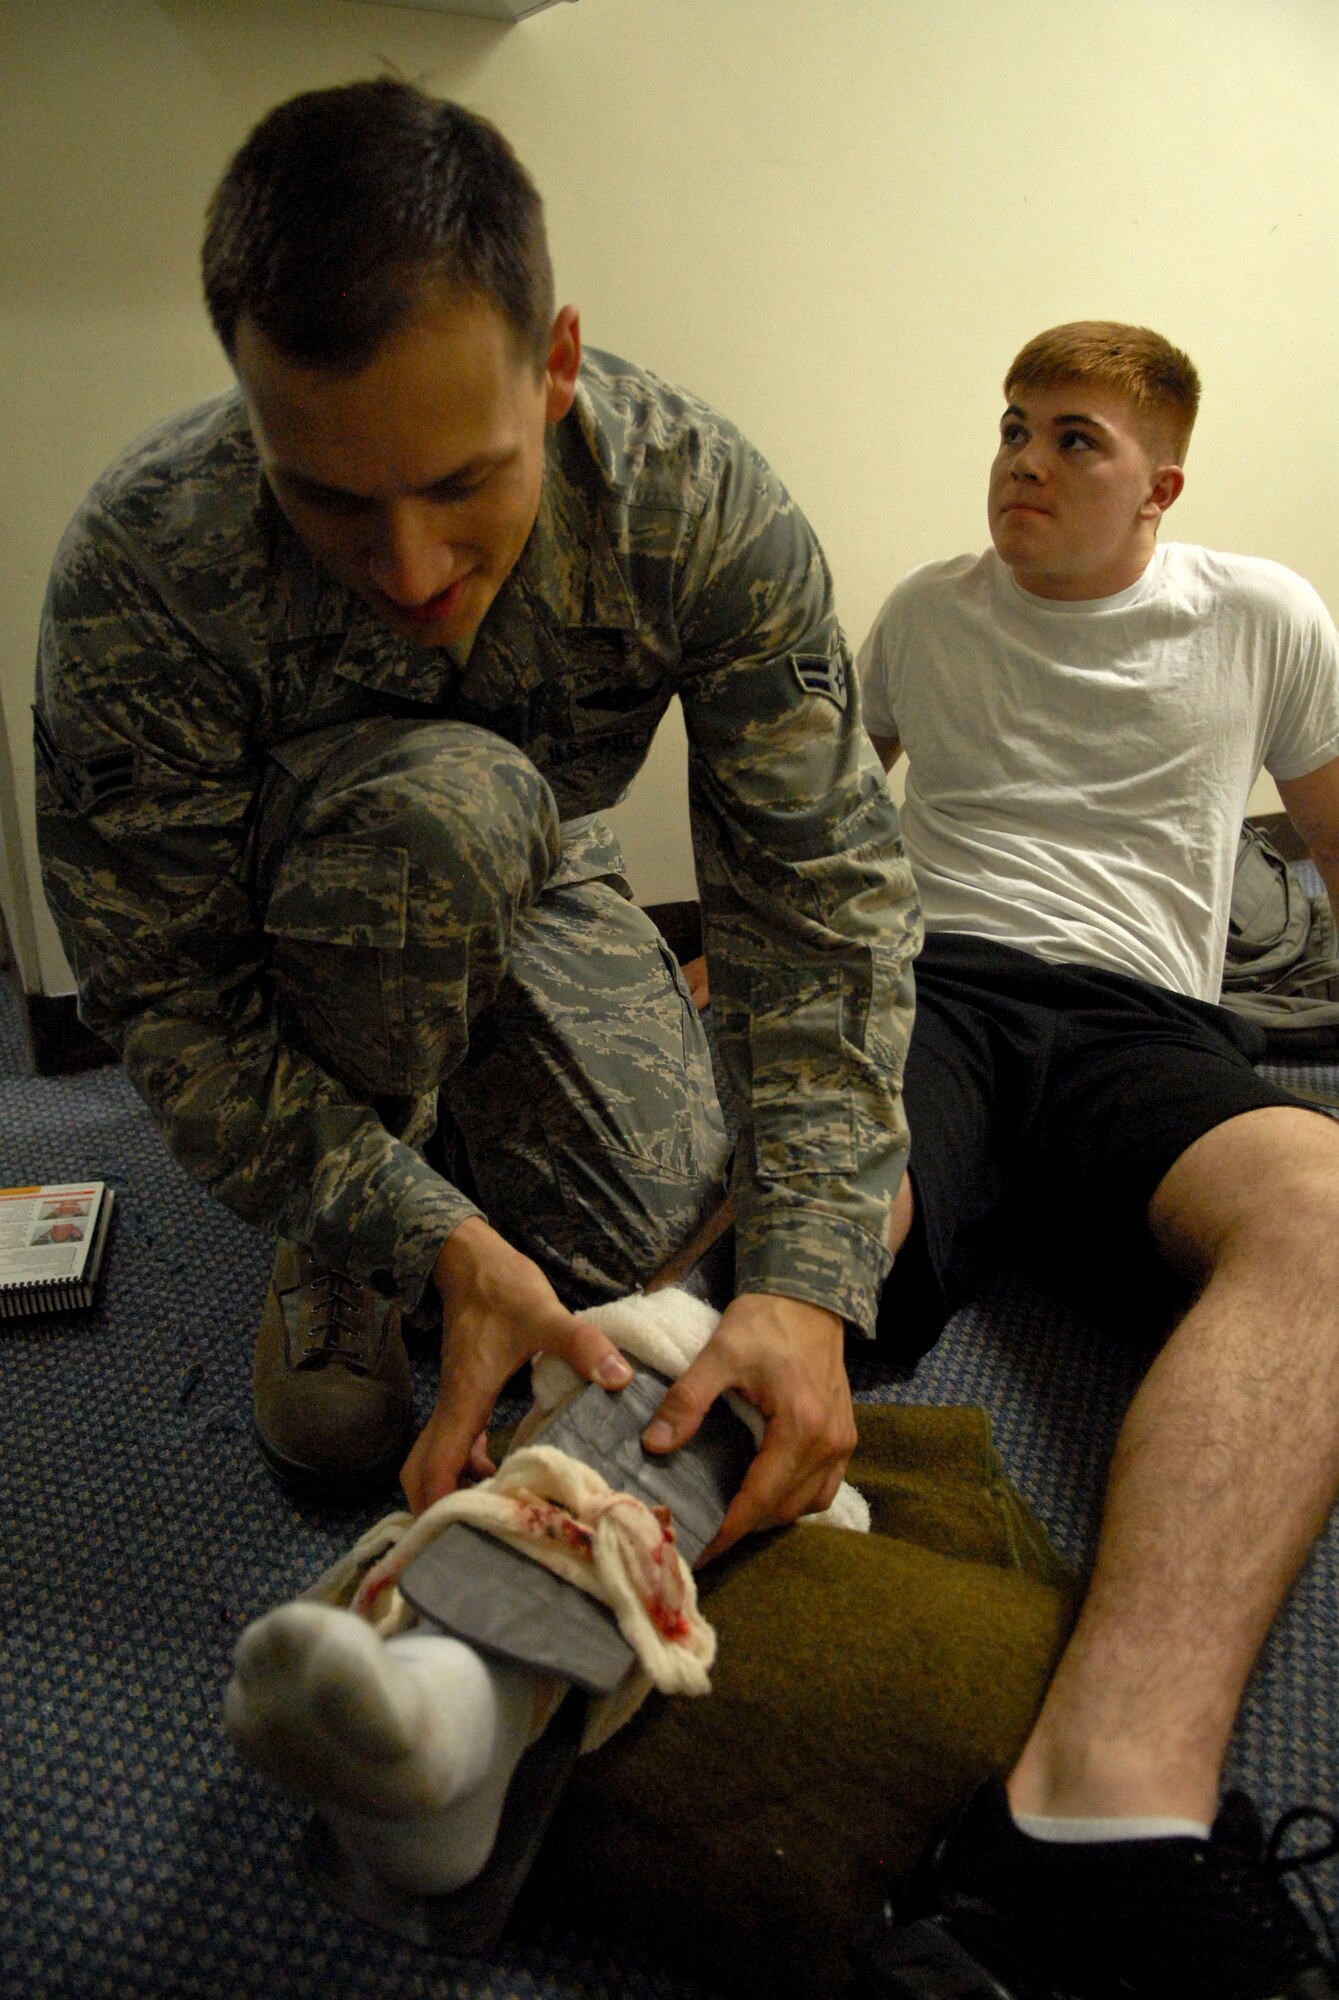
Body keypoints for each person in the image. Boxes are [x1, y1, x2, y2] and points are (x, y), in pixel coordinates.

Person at [34, 80, 917, 1552]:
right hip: (304, 919)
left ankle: (474, 1181)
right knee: (448, 813)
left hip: (546, 877)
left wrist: (808, 1273)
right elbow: (169, 998)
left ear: (556, 364)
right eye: (327, 499)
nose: (409, 563)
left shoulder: (692, 505)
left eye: (463, 483)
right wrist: (411, 1224)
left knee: (664, 1246)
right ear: (248, 407)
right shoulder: (145, 566)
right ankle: (344, 1233)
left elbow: (816, 892)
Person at [852, 323, 1339, 1999]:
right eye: (1010, 430)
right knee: (822, 1220)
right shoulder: (921, 615)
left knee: (1331, 1224)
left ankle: (1102, 1815)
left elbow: (1336, 834)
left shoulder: (1263, 615)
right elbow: (833, 825)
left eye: (1074, 440)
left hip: (1144, 1031)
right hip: (939, 994)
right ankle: (512, 1603)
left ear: (1163, 486)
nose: (1026, 464)